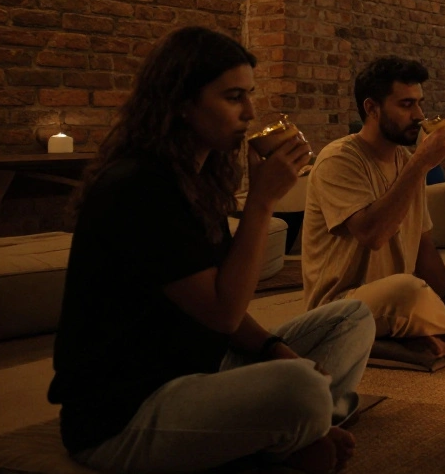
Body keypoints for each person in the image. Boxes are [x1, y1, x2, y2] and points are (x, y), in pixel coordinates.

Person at [49, 27, 376, 474]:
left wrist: (274, 347)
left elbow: (216, 302)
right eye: (233, 97)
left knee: (350, 320)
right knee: (300, 388)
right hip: (126, 412)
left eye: (250, 95)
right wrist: (261, 202)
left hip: (202, 367)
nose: (250, 112)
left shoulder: (196, 179)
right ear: (181, 103)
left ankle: (290, 432)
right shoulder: (138, 187)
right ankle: (295, 431)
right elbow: (223, 312)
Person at [303, 57, 445, 358]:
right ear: (372, 108)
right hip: (345, 305)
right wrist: (421, 162)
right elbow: (373, 234)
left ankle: (424, 330)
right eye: (407, 105)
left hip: (406, 296)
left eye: (419, 103)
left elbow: (423, 246)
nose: (419, 115)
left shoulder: (405, 161)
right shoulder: (339, 159)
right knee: (408, 291)